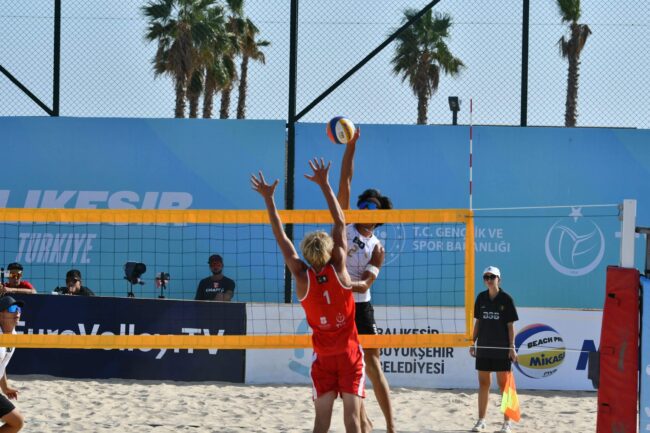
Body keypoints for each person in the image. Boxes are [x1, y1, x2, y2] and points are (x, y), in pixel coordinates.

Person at [252, 158, 364, 433]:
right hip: (349, 354)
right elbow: (340, 220)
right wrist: (325, 184)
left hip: (324, 358)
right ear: (330, 252)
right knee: (352, 419)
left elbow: (282, 239)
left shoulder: (302, 278)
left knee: (321, 423)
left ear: (306, 253)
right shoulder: (340, 268)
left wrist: (269, 199)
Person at [337, 128, 395, 433]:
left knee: (374, 367)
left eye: (371, 206)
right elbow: (345, 180)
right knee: (348, 370)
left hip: (361, 306)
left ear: (380, 214)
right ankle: (366, 421)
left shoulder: (377, 247)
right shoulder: (345, 222)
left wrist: (345, 283)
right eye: (363, 205)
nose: (364, 209)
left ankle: (390, 426)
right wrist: (351, 146)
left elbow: (365, 285)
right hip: (340, 306)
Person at [469, 266, 519, 433]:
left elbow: (510, 325)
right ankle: (481, 421)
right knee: (484, 384)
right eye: (486, 277)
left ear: (499, 279)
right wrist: (472, 341)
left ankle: (507, 423)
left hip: (501, 348)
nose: (489, 280)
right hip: (484, 346)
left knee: (504, 386)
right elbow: (478, 322)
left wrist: (512, 347)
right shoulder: (481, 298)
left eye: (492, 276)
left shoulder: (506, 299)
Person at [0, 296, 26, 432]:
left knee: (17, 422)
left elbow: (1, 365)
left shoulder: (13, 336)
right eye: (12, 309)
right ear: (1, 314)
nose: (17, 313)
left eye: (18, 309)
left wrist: (5, 387)